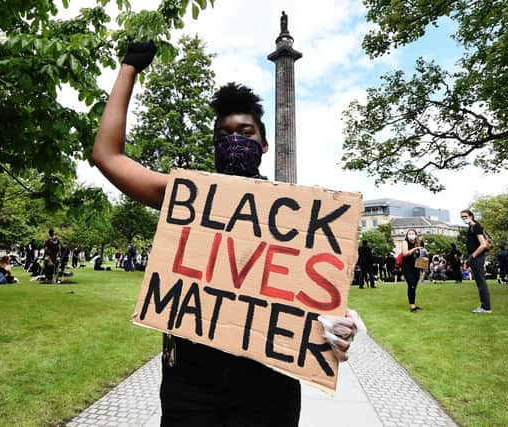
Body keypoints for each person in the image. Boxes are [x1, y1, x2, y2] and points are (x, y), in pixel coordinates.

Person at [92, 41, 359, 426]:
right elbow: (107, 156)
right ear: (216, 144)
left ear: (264, 144)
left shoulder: (299, 216)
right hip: (192, 379)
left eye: (245, 132)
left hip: (269, 382)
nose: (235, 139)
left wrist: (330, 322)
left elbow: (313, 284)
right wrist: (128, 69)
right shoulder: (185, 197)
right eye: (225, 133)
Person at [461, 209, 492, 313]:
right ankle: (485, 306)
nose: (464, 218)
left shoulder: (475, 227)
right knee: (480, 282)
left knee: (481, 282)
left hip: (477, 257)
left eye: (465, 216)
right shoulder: (472, 227)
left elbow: (483, 244)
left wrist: (473, 256)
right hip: (475, 257)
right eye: (462, 217)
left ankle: (486, 307)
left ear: (471, 216)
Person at [401, 229, 422, 312]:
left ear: (416, 235)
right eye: (409, 233)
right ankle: (412, 306)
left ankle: (413, 304)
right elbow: (405, 254)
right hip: (407, 266)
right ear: (407, 235)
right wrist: (414, 249)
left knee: (414, 286)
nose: (411, 235)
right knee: (411, 284)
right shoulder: (405, 242)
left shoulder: (418, 243)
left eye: (413, 233)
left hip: (416, 266)